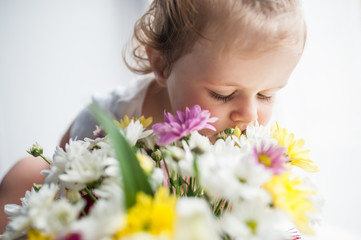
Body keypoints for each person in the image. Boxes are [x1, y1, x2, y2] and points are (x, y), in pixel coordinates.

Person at [0, 0, 306, 232]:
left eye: (266, 94)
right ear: (161, 65)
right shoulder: (111, 118)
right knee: (26, 174)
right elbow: (67, 174)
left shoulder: (247, 141)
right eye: (223, 94)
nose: (250, 116)